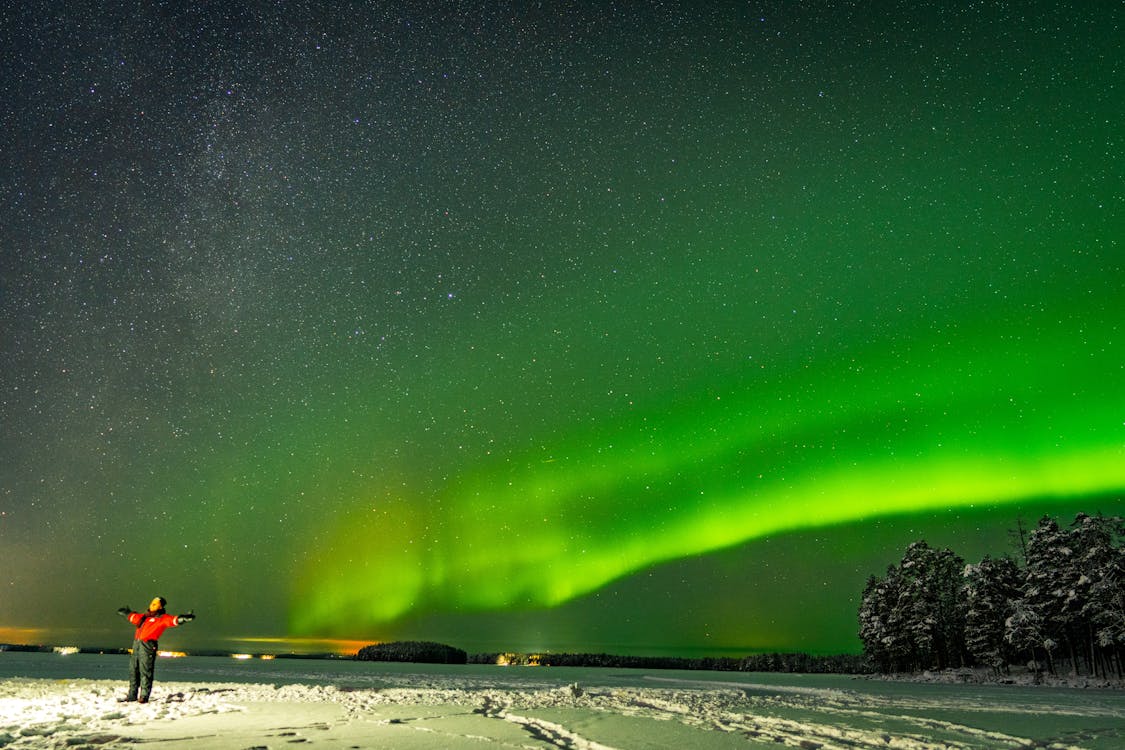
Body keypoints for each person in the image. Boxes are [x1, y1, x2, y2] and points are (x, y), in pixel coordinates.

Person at [116, 596, 196, 703]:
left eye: (155, 603)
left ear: (161, 606)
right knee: (133, 671)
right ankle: (132, 695)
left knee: (145, 671)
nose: (152, 604)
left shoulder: (161, 618)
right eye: (152, 602)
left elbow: (173, 620)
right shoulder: (143, 617)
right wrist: (126, 612)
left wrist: (183, 618)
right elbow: (133, 616)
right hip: (137, 645)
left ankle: (144, 697)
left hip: (148, 646)